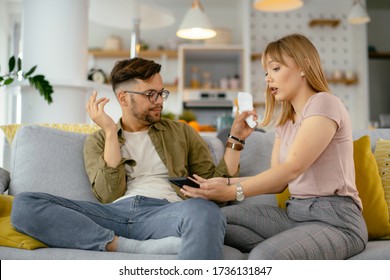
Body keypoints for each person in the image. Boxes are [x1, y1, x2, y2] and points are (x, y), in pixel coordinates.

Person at [11, 57, 257, 260]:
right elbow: (109, 194)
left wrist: (235, 139)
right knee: (24, 205)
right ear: (123, 98)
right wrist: (109, 132)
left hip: (167, 213)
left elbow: (215, 191)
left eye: (161, 93)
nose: (159, 101)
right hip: (112, 215)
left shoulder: (181, 132)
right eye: (151, 94)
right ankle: (123, 246)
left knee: (206, 212)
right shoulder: (97, 141)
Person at [180, 34, 368, 259]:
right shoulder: (285, 123)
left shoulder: (324, 103)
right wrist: (224, 182)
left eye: (275, 68)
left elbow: (292, 168)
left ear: (303, 66)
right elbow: (277, 182)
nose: (268, 78)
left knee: (264, 257)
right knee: (208, 221)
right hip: (294, 214)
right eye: (266, 72)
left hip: (336, 220)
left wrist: (230, 191)